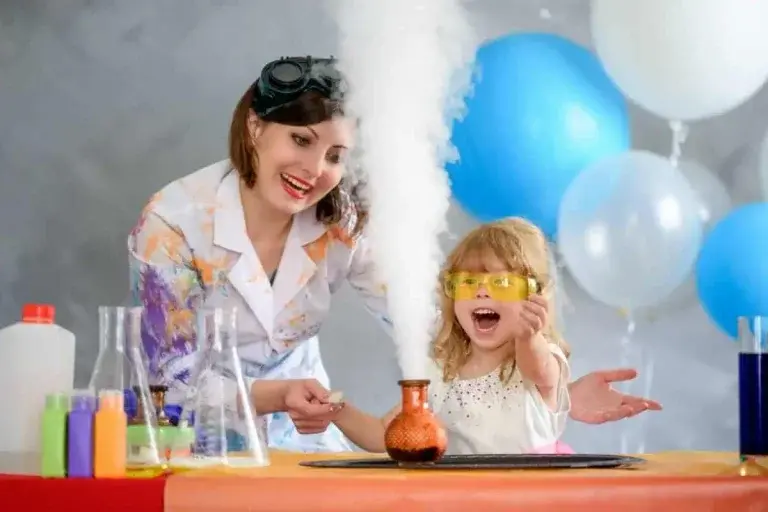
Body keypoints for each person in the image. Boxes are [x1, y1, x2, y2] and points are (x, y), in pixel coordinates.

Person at [128, 55, 661, 453]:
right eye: (301, 140)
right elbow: (167, 388)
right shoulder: (172, 225)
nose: (315, 170)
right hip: (190, 442)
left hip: (304, 439)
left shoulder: (345, 220)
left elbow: (437, 324)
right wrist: (276, 394)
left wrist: (551, 391)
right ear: (255, 127)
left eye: (336, 154)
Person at [330, 218, 572, 454]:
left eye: (502, 283)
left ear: (533, 297)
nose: (481, 293)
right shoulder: (441, 372)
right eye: (468, 282)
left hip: (528, 480)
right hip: (459, 482)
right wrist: (336, 410)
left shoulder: (541, 361)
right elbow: (386, 432)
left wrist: (529, 338)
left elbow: (538, 368)